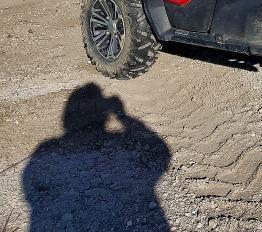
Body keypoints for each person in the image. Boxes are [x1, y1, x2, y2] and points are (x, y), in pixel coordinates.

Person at [22, 83, 170, 231]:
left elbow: (31, 188)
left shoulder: (45, 150)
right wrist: (122, 116)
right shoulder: (47, 150)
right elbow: (162, 154)